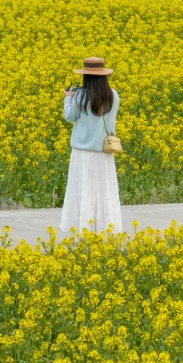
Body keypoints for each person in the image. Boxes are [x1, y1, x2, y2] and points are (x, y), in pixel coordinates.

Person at [60, 56, 123, 234]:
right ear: (104, 75)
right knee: (103, 192)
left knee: (84, 191)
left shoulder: (80, 96)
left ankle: (84, 229)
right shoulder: (113, 95)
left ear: (85, 76)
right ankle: (105, 229)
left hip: (82, 153)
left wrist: (68, 99)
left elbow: (69, 117)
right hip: (104, 152)